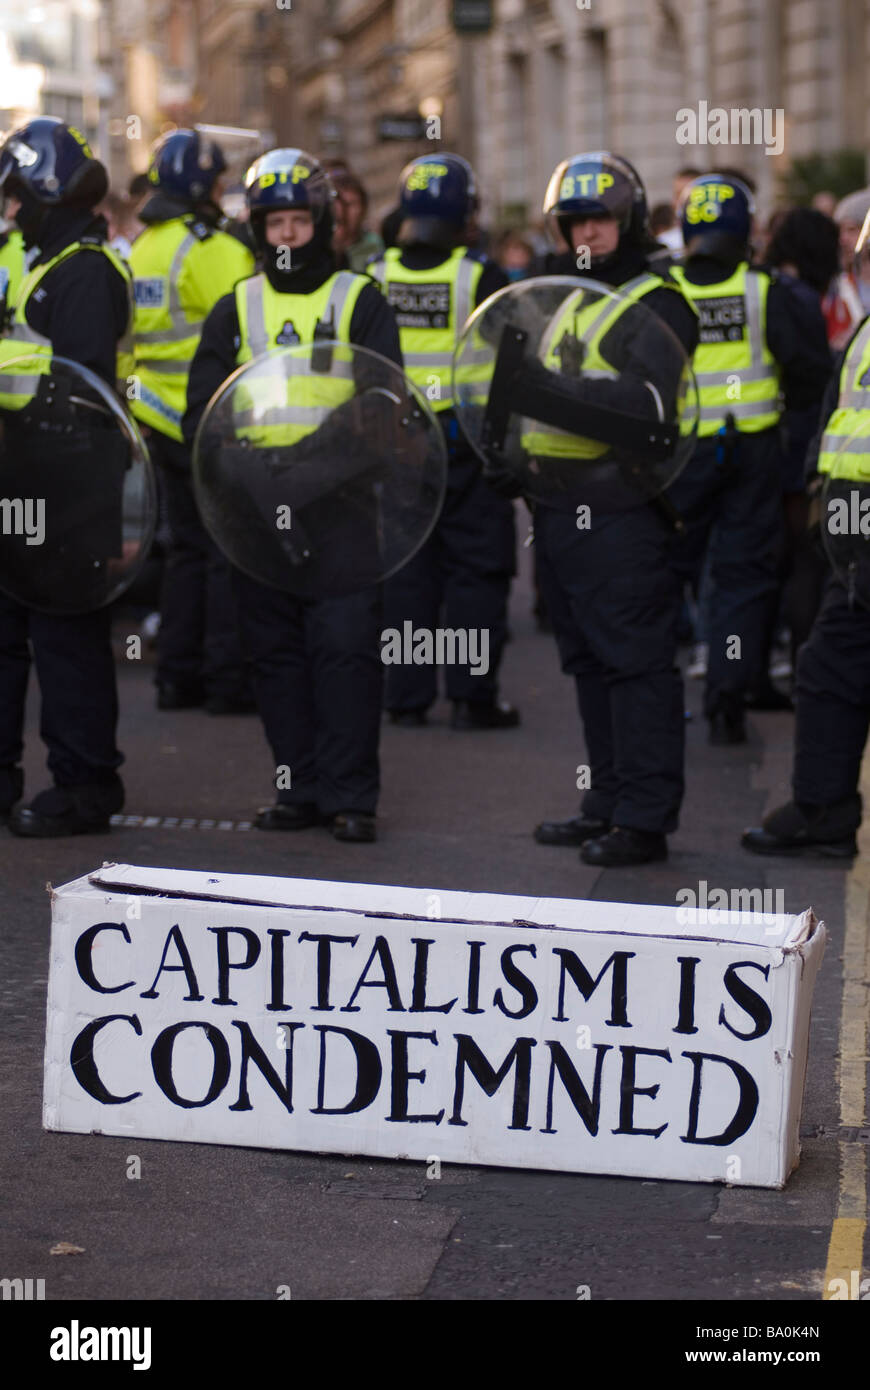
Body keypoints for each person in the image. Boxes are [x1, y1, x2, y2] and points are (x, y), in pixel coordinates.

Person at [184, 147, 402, 842]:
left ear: (323, 222)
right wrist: (246, 470)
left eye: (296, 222)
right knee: (274, 653)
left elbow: (381, 403)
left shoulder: (359, 300)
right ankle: (297, 790)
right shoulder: (235, 308)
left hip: (339, 505)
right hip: (256, 504)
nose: (285, 235)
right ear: (256, 227)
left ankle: (352, 799)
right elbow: (203, 415)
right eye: (272, 222)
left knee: (344, 649)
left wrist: (311, 467)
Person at [518, 151, 699, 866]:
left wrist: (545, 396)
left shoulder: (658, 303)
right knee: (590, 663)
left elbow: (646, 415)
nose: (586, 235)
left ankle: (644, 818)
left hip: (623, 503)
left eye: (599, 220)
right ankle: (606, 802)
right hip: (558, 502)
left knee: (635, 662)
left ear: (627, 221)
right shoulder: (564, 293)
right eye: (574, 223)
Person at [0, 118, 132, 836]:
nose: (10, 211)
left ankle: (84, 788)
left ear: (46, 190)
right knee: (7, 631)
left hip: (70, 482)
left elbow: (77, 387)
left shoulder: (83, 270)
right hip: (20, 473)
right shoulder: (34, 259)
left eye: (16, 197)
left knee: (66, 639)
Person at [667, 174, 831, 743]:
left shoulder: (663, 290)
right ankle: (726, 698)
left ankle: (654, 693)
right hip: (751, 454)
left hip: (679, 457)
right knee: (741, 579)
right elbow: (810, 372)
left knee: (664, 574)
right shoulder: (763, 289)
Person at [368, 153, 519, 729]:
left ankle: (406, 699)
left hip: (397, 447)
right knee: (475, 573)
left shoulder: (375, 275)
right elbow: (510, 369)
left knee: (408, 572)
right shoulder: (480, 276)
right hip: (469, 448)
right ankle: (472, 698)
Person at [742, 215, 870, 858]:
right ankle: (823, 808)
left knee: (832, 663)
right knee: (826, 668)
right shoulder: (867, 334)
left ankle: (824, 807)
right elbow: (834, 421)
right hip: (854, 538)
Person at [129, 129, 256, 713]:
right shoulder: (212, 246)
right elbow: (250, 329)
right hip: (210, 420)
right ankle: (227, 682)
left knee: (183, 552)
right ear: (206, 185)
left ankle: (177, 676)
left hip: (156, 417)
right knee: (224, 552)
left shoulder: (144, 245)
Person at [326, 165, 384, 272]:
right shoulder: (317, 247)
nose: (342, 212)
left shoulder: (374, 247)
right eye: (336, 203)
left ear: (363, 208)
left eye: (349, 204)